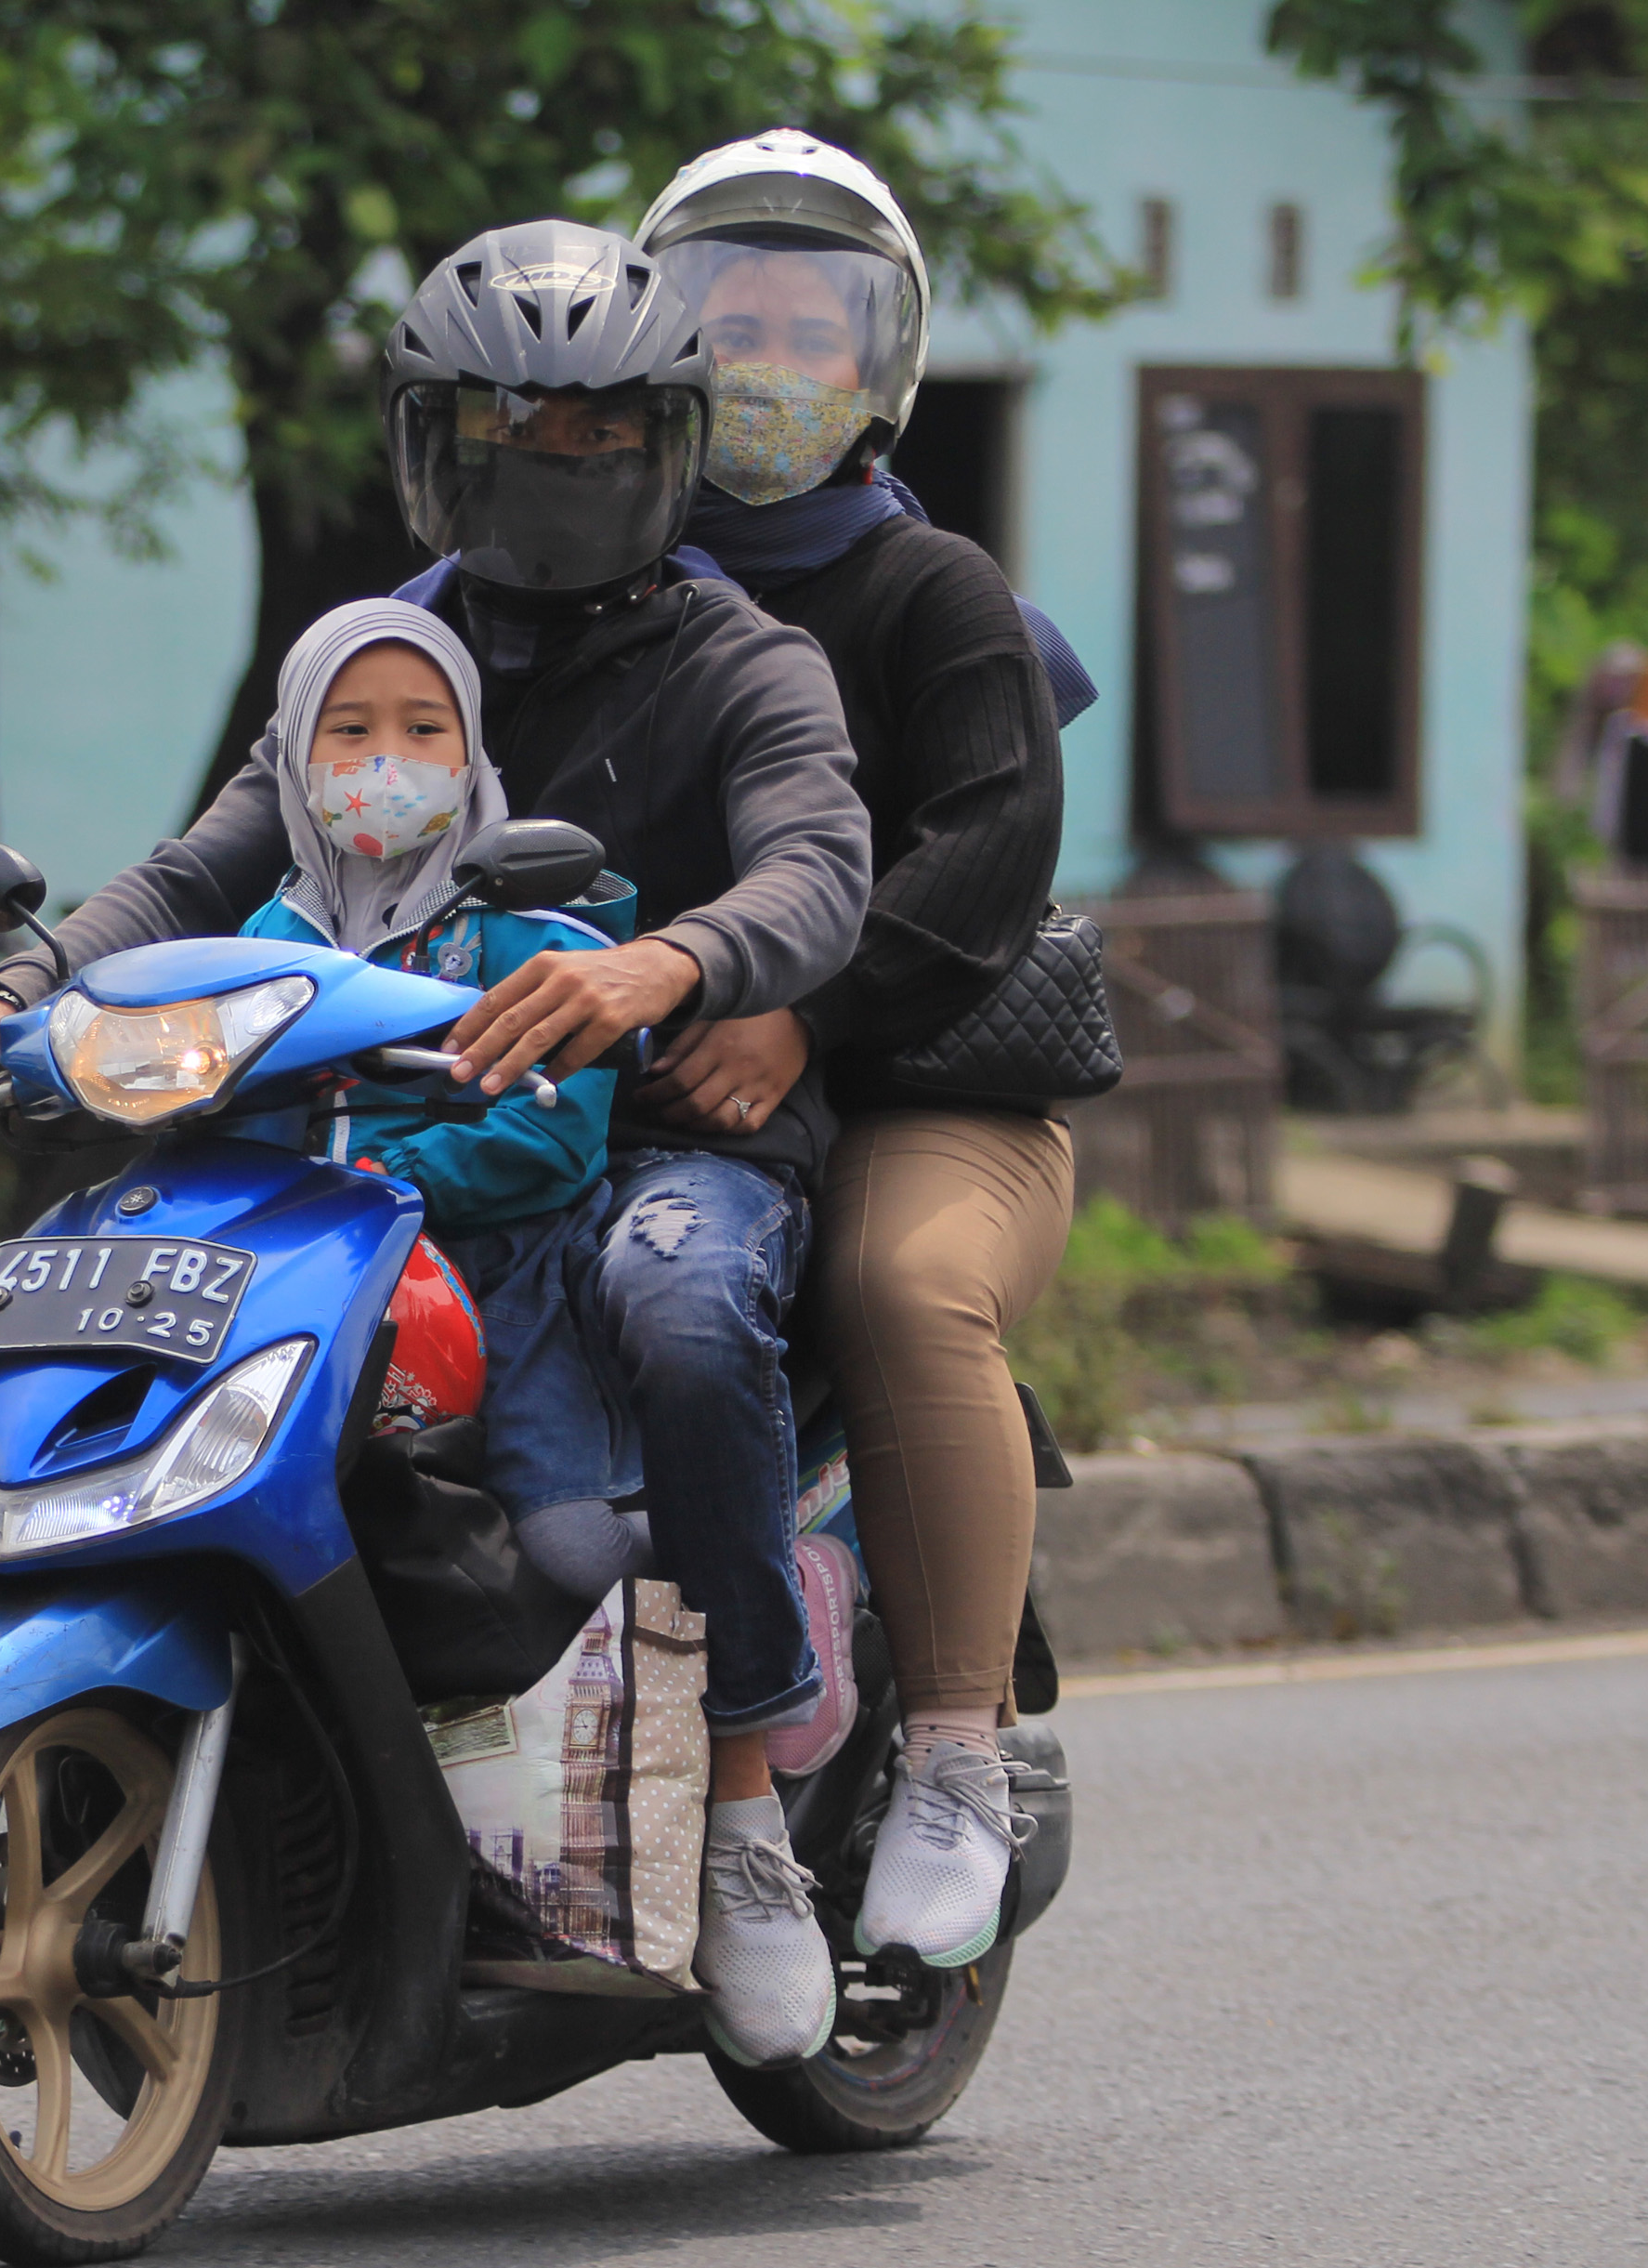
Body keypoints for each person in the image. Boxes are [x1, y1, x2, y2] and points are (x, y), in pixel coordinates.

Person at [0, 220, 871, 2065]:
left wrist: (670, 960)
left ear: (666, 447)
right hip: (390, 1143)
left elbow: (819, 865)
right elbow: (198, 870)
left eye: (595, 440)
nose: (551, 475)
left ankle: (740, 1806)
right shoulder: (382, 656)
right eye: (509, 436)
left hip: (665, 1142)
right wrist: (11, 987)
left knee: (670, 1311)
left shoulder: (751, 665)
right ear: (437, 444)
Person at [628, 128, 1084, 1970]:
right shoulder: (582, 579)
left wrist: (797, 1010)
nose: (760, 358)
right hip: (642, 1073)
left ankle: (957, 1752)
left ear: (875, 362)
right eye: (722, 315)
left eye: (804, 325)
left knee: (899, 1288)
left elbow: (984, 864)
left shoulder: (932, 595)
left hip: (915, 1085)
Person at [235, 597, 641, 1567]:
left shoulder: (536, 923)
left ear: (469, 752)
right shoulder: (266, 938)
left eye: (422, 729)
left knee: (567, 1549)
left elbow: (553, 1135)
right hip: (310, 1294)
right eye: (348, 730)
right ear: (294, 750)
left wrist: (377, 1167)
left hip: (505, 1280)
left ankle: (718, 1658)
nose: (386, 762)